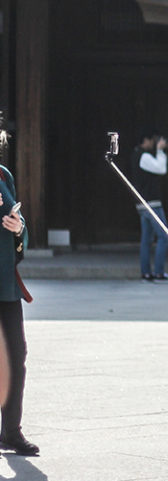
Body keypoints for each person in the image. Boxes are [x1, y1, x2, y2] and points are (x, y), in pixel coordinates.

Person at [0, 133, 37, 456]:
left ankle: (11, 431)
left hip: (5, 282)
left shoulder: (3, 174)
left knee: (16, 356)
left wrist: (18, 226)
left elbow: (21, 226)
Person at [131, 129, 168, 283]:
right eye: (152, 140)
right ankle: (158, 273)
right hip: (151, 204)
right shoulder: (143, 156)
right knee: (163, 237)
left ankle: (146, 274)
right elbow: (161, 169)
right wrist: (160, 151)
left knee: (146, 240)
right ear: (145, 140)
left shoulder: (137, 155)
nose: (154, 143)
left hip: (143, 204)